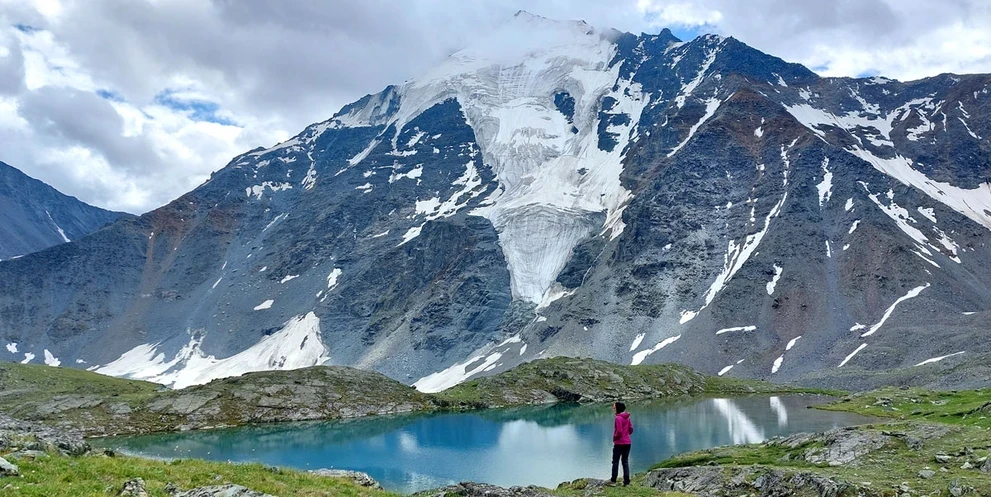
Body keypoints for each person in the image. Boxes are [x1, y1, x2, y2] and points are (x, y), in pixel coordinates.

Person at [610, 401, 633, 486]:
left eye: (614, 408)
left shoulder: (618, 418)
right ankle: (626, 481)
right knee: (625, 461)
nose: (614, 409)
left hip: (619, 443)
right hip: (627, 443)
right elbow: (631, 429)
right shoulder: (627, 418)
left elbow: (619, 431)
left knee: (615, 461)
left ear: (618, 408)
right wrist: (626, 435)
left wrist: (615, 437)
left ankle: (613, 480)